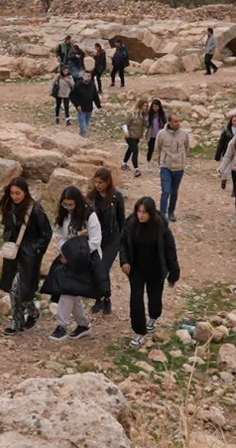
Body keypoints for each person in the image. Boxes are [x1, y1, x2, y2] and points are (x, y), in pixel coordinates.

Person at [119, 197, 179, 348]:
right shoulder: (130, 224)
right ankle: (140, 332)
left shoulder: (161, 227)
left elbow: (170, 251)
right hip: (136, 269)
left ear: (151, 213)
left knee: (154, 299)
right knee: (136, 299)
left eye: (144, 212)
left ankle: (153, 317)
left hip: (156, 270)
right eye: (139, 211)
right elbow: (123, 244)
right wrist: (124, 261)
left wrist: (173, 274)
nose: (141, 215)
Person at [0, 178, 53, 335]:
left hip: (28, 257)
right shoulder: (9, 207)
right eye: (12, 193)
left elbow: (46, 234)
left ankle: (24, 319)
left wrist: (33, 250)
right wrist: (7, 239)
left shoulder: (35, 209)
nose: (14, 196)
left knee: (20, 290)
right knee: (14, 289)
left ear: (25, 192)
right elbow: (7, 228)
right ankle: (24, 318)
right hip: (13, 255)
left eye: (17, 193)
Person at [45, 187, 103, 342]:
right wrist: (66, 250)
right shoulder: (64, 215)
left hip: (86, 258)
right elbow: (59, 235)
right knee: (72, 291)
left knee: (68, 290)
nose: (68, 208)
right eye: (66, 204)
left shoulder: (90, 216)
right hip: (68, 257)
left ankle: (62, 326)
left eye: (71, 204)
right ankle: (83, 325)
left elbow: (95, 241)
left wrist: (77, 252)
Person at [88, 169, 126, 315]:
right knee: (96, 269)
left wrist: (123, 241)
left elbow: (121, 219)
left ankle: (104, 298)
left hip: (112, 239)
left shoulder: (116, 197)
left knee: (103, 268)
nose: (97, 185)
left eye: (100, 182)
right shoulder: (91, 198)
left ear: (108, 182)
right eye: (95, 182)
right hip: (96, 239)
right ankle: (101, 298)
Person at [154, 114, 191, 222]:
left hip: (179, 167)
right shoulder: (161, 134)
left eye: (179, 121)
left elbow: (186, 147)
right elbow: (157, 148)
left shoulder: (184, 134)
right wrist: (163, 159)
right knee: (166, 191)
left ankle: (171, 213)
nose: (178, 123)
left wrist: (181, 158)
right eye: (175, 121)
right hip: (166, 166)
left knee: (174, 192)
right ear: (169, 122)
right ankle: (162, 214)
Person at [69, 71, 102, 138]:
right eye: (86, 76)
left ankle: (81, 138)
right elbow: (72, 96)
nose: (87, 77)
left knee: (85, 126)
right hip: (81, 109)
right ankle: (83, 139)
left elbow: (95, 96)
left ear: (91, 77)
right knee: (84, 128)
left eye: (89, 76)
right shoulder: (78, 85)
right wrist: (77, 105)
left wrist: (99, 106)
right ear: (83, 76)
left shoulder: (92, 85)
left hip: (89, 109)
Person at [122, 99, 148, 177]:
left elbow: (146, 125)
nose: (145, 107)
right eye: (144, 106)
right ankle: (137, 169)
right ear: (140, 105)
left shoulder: (142, 115)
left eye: (146, 106)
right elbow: (125, 124)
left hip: (137, 137)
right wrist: (126, 132)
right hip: (130, 136)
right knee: (135, 151)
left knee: (130, 150)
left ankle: (124, 164)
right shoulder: (132, 114)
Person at [144, 99, 168, 166]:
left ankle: (160, 165)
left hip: (160, 136)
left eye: (156, 106)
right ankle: (148, 162)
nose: (155, 108)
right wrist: (146, 120)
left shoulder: (162, 115)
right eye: (154, 106)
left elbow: (165, 124)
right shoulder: (150, 114)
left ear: (159, 106)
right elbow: (146, 124)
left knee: (161, 151)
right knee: (150, 150)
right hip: (151, 135)